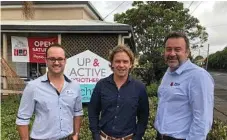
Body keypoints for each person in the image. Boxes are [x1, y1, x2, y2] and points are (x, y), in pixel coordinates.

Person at [154, 32, 214, 140]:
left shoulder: (198, 76)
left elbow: (202, 120)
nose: (172, 53)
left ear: (187, 52)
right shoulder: (168, 73)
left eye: (177, 49)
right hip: (161, 136)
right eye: (168, 49)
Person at [16, 43, 83, 140]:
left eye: (60, 59)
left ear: (65, 61)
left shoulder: (74, 86)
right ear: (46, 60)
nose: (56, 62)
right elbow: (22, 119)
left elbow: (78, 112)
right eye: (52, 59)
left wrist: (76, 134)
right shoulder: (33, 87)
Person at [88, 45, 149, 140]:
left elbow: (143, 117)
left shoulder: (139, 87)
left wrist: (137, 137)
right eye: (117, 61)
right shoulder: (101, 85)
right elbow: (93, 112)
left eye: (125, 61)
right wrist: (96, 135)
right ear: (112, 63)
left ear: (131, 64)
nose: (121, 65)